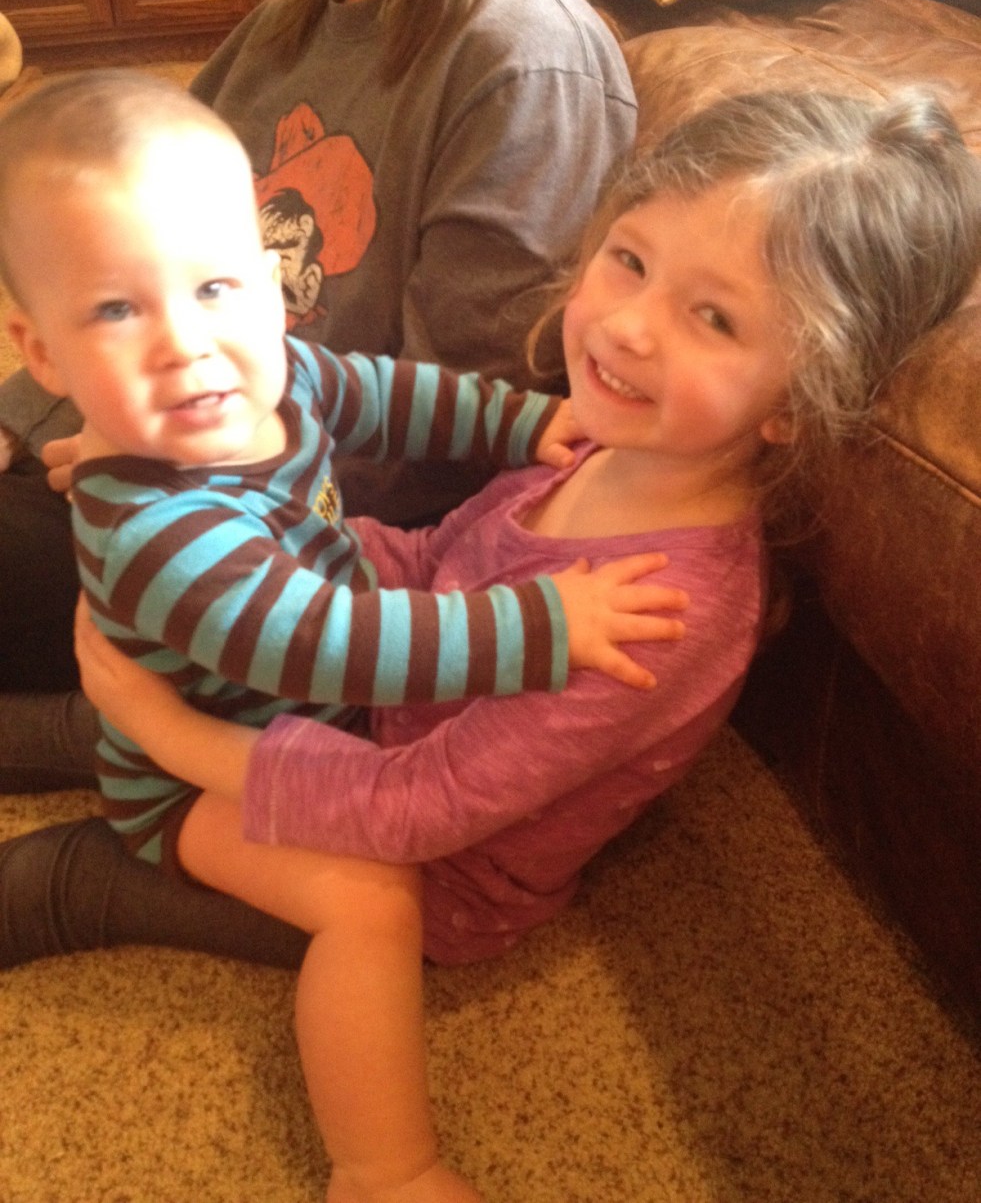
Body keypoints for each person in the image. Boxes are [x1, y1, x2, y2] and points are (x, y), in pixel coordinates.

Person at [9, 84, 981, 1198]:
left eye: (713, 318)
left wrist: (167, 732)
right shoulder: (607, 449)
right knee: (120, 709)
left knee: (346, 900)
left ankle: (384, 1170)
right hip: (329, 714)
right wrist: (290, 564)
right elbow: (438, 556)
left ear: (797, 400)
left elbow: (413, 809)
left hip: (425, 859)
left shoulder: (658, 615)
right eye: (629, 259)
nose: (628, 325)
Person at [0, 0, 637, 782]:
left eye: (220, 288)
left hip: (265, 527)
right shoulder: (282, 25)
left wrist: (187, 465)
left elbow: (425, 433)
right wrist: (26, 416)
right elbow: (103, 233)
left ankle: (121, 743)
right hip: (166, 440)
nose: (186, 331)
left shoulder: (525, 63)